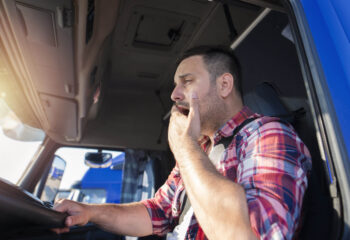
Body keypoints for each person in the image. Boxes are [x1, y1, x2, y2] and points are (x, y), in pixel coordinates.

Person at [53, 46, 312, 239]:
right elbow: (158, 211)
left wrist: (184, 147)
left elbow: (252, 235)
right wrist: (88, 212)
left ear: (224, 85)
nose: (174, 94)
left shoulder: (268, 135)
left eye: (186, 82)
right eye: (176, 85)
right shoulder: (201, 150)